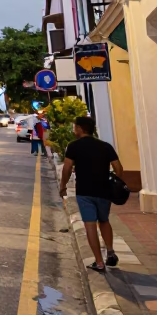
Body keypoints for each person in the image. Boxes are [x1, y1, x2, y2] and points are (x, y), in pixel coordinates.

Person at [60, 116, 124, 272]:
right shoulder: (105, 146)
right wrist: (114, 183)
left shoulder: (73, 146)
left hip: (85, 191)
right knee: (104, 221)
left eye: (75, 127)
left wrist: (63, 186)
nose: (74, 130)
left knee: (90, 225)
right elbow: (119, 168)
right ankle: (110, 251)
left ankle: (99, 262)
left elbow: (67, 168)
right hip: (104, 191)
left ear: (81, 128)